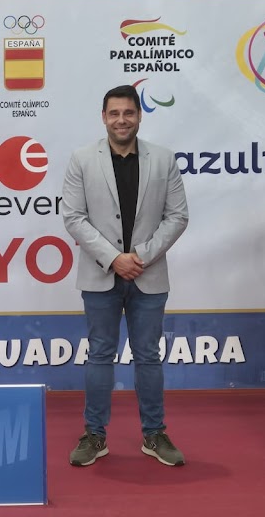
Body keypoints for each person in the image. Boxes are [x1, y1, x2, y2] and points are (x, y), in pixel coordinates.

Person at [61, 84, 189, 467]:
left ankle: (154, 434)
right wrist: (114, 258)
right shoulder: (81, 160)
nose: (121, 120)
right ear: (104, 117)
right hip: (101, 275)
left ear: (139, 115)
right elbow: (73, 217)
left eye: (128, 113)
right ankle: (94, 436)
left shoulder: (163, 160)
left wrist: (141, 257)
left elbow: (178, 216)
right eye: (114, 113)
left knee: (148, 357)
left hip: (148, 276)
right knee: (100, 354)